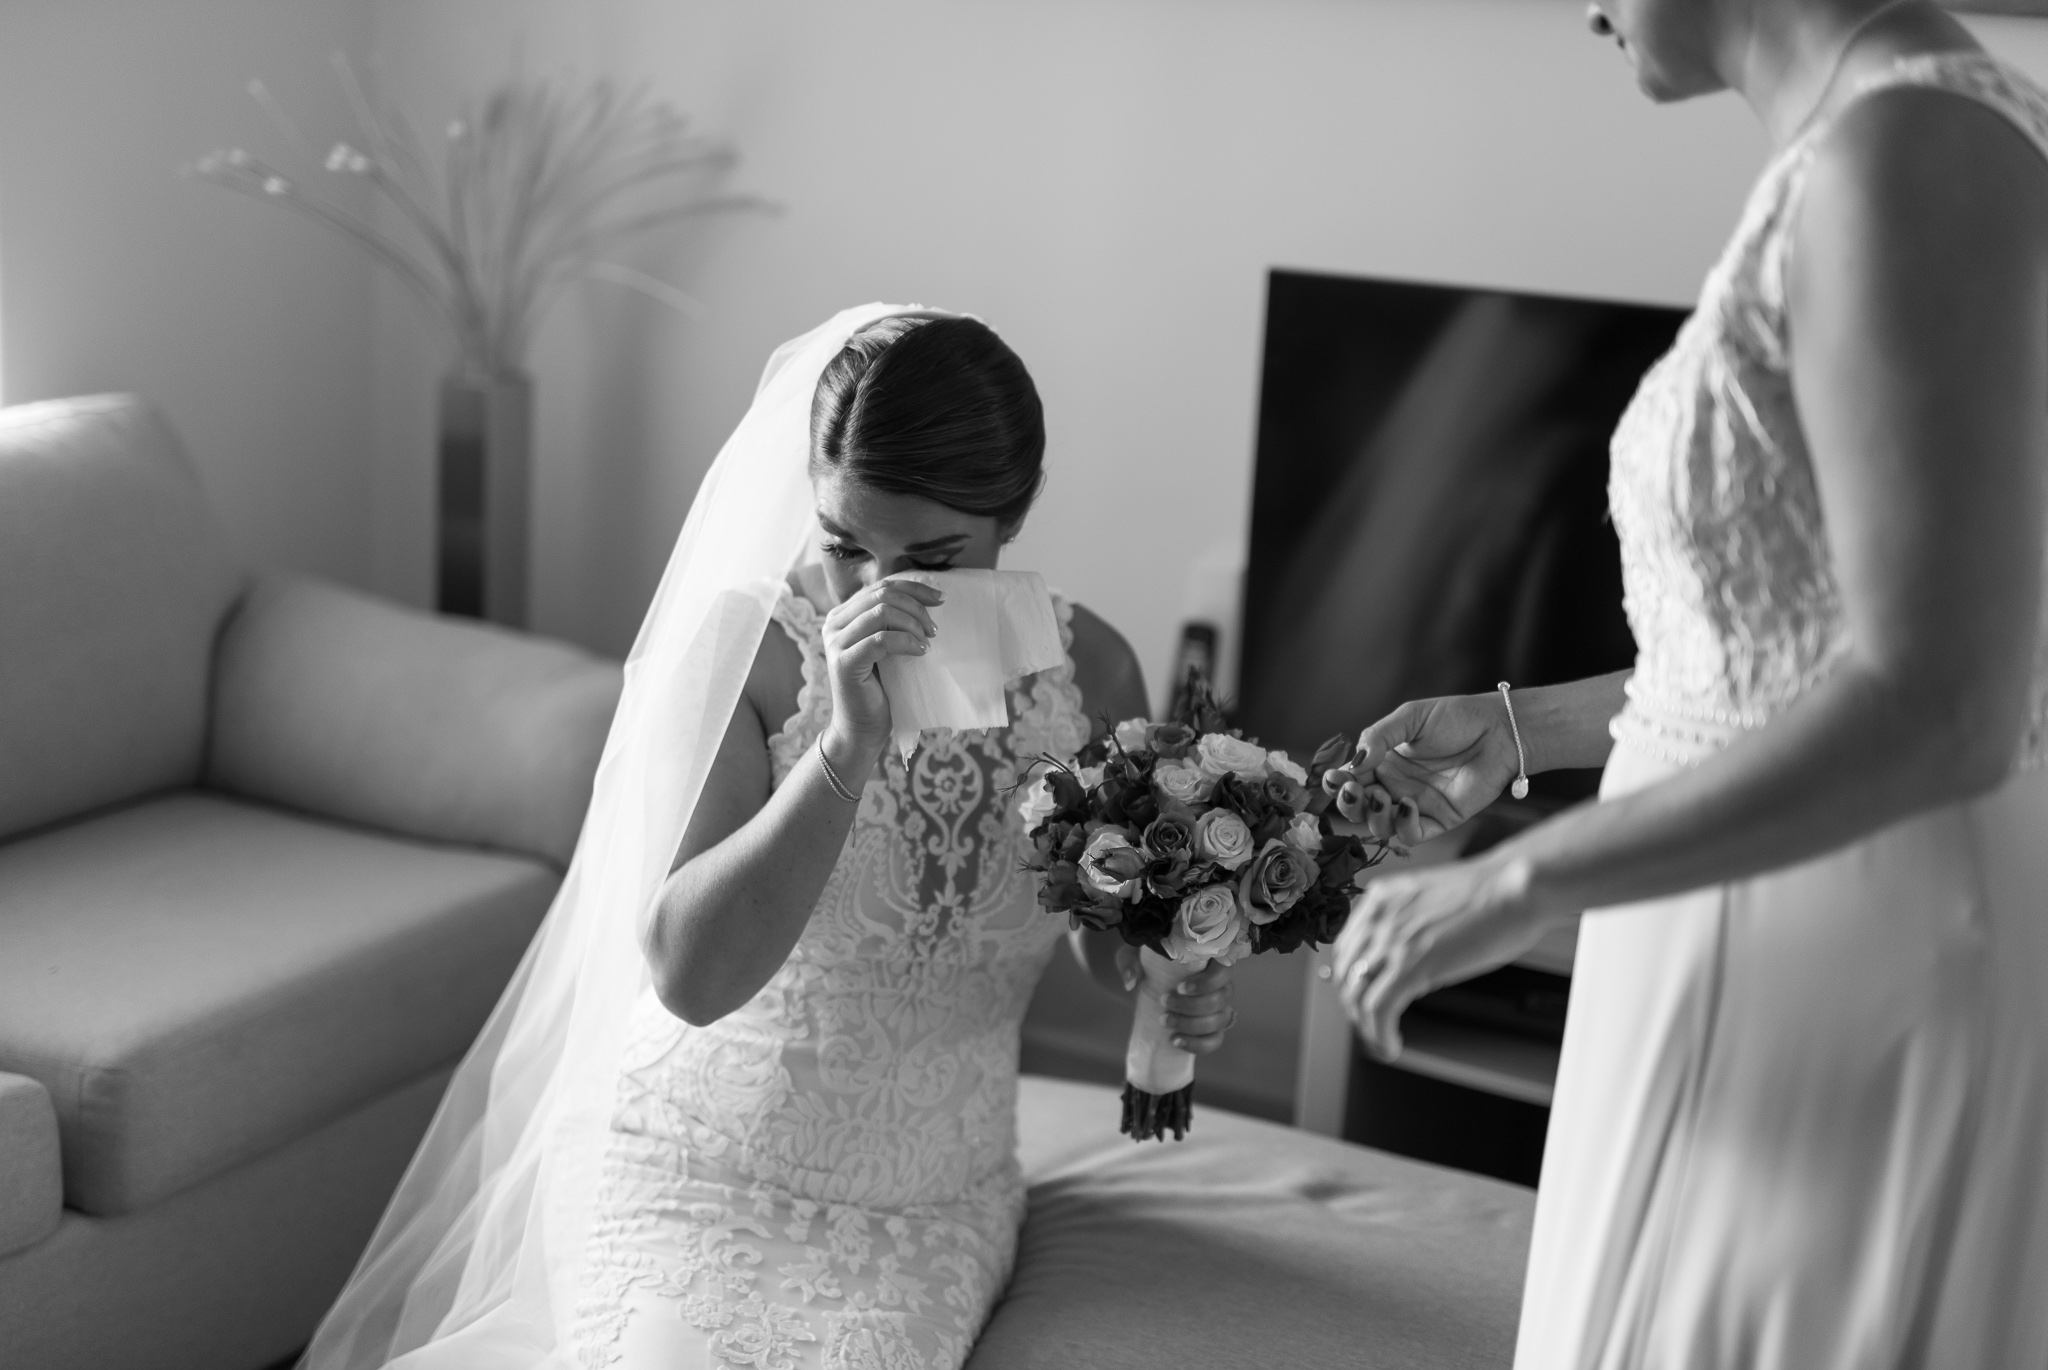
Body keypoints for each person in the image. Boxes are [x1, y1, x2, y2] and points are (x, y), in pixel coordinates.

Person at [298, 306, 1234, 1370]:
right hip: (699, 1170)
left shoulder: (1093, 671)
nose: (877, 595)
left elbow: (1098, 937)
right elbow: (691, 977)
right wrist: (844, 746)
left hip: (929, 1205)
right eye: (845, 546)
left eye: (932, 556)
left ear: (1006, 525)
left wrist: (1162, 964)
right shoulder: (748, 650)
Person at [1330, 2, 2048, 1365]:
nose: (1583, 9)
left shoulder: (1912, 147)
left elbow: (1948, 700)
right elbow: (1796, 643)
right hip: (1757, 926)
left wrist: (1519, 880)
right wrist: (1520, 729)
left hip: (1846, 953)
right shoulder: (1894, 134)